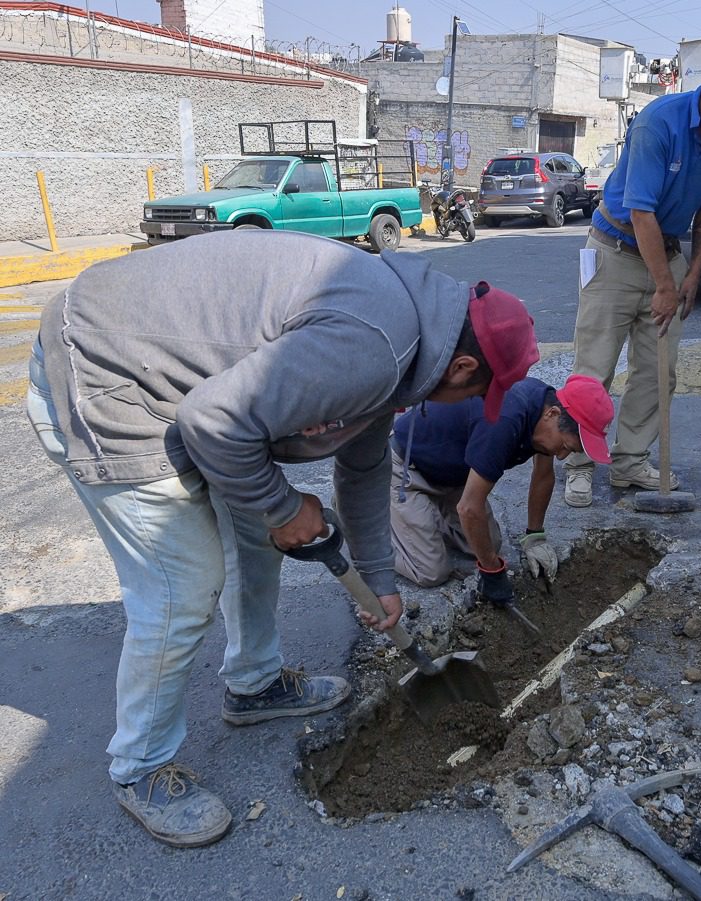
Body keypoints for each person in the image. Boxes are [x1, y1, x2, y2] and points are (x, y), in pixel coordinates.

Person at [26, 230, 539, 848]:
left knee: (258, 543)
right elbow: (213, 421)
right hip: (108, 375)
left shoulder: (408, 343)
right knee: (181, 589)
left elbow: (364, 465)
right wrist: (281, 504)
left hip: (190, 389)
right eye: (477, 393)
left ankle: (254, 683)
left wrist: (377, 582)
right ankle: (140, 768)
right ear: (461, 366)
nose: (470, 404)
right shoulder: (373, 344)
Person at [564, 53, 701, 506]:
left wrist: (692, 276)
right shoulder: (658, 122)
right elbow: (640, 212)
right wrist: (664, 286)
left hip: (669, 255)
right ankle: (577, 462)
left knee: (659, 371)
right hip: (614, 251)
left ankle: (629, 461)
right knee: (593, 368)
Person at [389, 374, 614, 599]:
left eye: (570, 452)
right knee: (430, 571)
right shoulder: (504, 420)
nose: (562, 456)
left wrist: (534, 535)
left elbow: (543, 475)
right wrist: (492, 572)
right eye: (565, 446)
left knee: (490, 545)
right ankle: (374, 538)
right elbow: (469, 508)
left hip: (452, 477)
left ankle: (421, 519)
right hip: (408, 470)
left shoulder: (547, 409)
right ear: (552, 414)